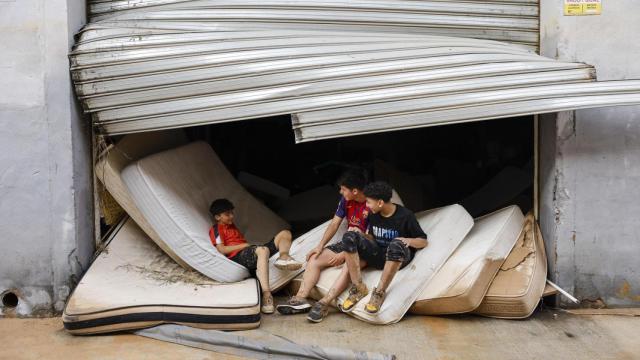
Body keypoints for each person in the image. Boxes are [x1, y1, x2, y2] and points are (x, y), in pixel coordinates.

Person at [306, 181, 427, 323]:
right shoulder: (373, 214)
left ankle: (379, 292)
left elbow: (423, 241)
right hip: (379, 254)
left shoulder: (405, 216)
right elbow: (372, 238)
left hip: (398, 257)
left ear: (380, 202)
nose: (367, 206)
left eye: (369, 202)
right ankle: (358, 288)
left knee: (395, 244)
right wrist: (361, 235)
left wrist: (408, 241)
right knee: (350, 236)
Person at [276, 169, 369, 315]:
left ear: (355, 191)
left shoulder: (372, 204)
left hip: (364, 247)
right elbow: (334, 224)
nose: (340, 192)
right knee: (314, 258)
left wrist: (345, 255)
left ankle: (323, 303)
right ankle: (300, 299)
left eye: (343, 189)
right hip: (348, 242)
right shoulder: (346, 201)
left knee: (348, 267)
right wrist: (319, 246)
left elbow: (371, 238)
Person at [209, 198, 302, 314]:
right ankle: (267, 295)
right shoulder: (216, 229)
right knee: (262, 250)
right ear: (217, 217)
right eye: (227, 214)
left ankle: (283, 257)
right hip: (239, 257)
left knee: (285, 233)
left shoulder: (231, 225)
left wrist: (249, 247)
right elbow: (222, 249)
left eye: (232, 213)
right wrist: (244, 246)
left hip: (251, 251)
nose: (232, 216)